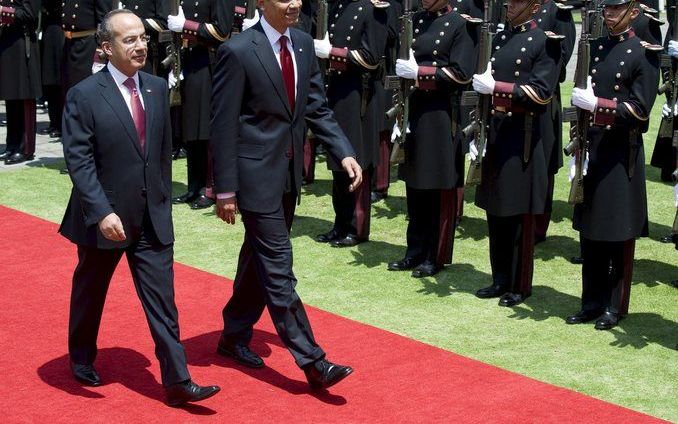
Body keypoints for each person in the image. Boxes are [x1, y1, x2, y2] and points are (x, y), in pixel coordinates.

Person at [59, 9, 220, 406]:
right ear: (105, 48)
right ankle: (81, 357)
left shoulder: (155, 87)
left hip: (151, 217)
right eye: (128, 40)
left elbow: (161, 155)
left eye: (143, 38)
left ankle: (178, 379)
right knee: (90, 291)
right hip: (105, 219)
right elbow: (79, 161)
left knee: (163, 300)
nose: (140, 45)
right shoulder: (83, 95)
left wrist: (162, 199)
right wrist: (101, 212)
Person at [210, 0, 361, 390]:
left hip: (289, 177)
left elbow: (316, 107)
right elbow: (223, 124)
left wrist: (343, 151)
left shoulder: (304, 44)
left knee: (257, 259)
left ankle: (234, 334)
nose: (294, 3)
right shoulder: (238, 50)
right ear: (261, 2)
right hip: (255, 177)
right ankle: (313, 361)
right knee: (278, 267)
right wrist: (224, 189)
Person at [567, 0, 660, 330]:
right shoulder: (597, 46)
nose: (608, 14)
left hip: (621, 152)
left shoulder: (643, 53)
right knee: (590, 231)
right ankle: (591, 300)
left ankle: (614, 305)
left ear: (633, 12)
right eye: (606, 8)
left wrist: (600, 106)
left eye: (616, 9)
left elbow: (640, 110)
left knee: (617, 233)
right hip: (593, 146)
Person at [472, 0, 561, 307]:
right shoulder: (500, 37)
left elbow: (540, 91)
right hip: (498, 132)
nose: (509, 5)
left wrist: (497, 88)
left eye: (518, 1)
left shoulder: (545, 43)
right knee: (495, 210)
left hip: (524, 136)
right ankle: (499, 278)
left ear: (535, 6)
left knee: (519, 215)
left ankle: (519, 284)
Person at [386, 0, 479, 278]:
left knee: (439, 187)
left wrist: (420, 74)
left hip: (442, 113)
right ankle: (414, 249)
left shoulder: (462, 25)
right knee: (415, 185)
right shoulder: (416, 20)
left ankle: (435, 254)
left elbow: (462, 74)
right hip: (415, 108)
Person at [312, 0, 389, 247]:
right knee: (338, 160)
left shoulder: (373, 9)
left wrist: (332, 52)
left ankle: (357, 227)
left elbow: (372, 57)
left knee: (358, 160)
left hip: (360, 94)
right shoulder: (339, 7)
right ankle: (340, 223)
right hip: (338, 89)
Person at [167, 0, 233, 210]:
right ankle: (194, 186)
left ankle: (210, 188)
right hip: (191, 58)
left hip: (211, 61)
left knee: (207, 129)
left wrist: (186, 25)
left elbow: (222, 30)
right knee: (192, 126)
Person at [533, 0, 575, 243]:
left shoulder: (558, 11)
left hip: (543, 97)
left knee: (543, 163)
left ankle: (539, 225)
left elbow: (561, 60)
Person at [0, 0, 41, 165]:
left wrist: (4, 11)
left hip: (23, 43)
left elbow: (30, 14)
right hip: (8, 41)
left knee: (24, 96)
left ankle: (25, 148)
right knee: (11, 96)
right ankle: (12, 144)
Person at [39, 0, 65, 139]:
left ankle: (60, 123)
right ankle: (53, 121)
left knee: (58, 78)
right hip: (48, 28)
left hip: (58, 28)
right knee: (49, 78)